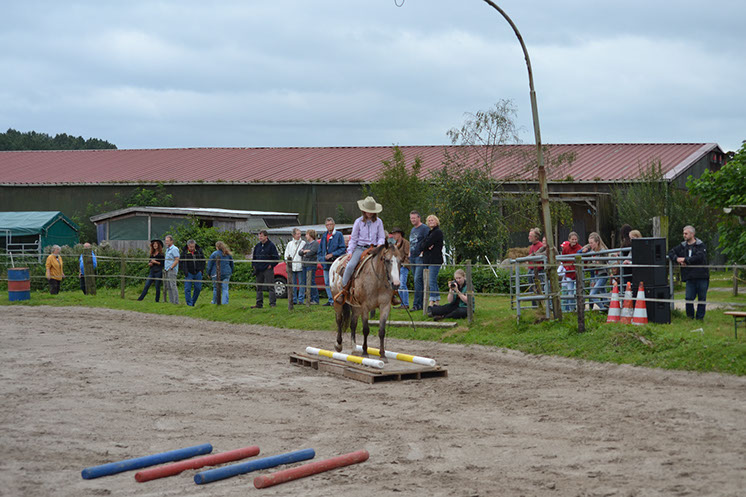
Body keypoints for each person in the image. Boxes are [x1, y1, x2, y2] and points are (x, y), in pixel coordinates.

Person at [337, 196, 386, 304]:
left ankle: (391, 292)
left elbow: (381, 237)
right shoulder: (358, 222)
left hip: (375, 248)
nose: (370, 213)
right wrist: (350, 252)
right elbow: (354, 239)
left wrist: (379, 245)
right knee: (350, 266)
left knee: (387, 265)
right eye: (368, 211)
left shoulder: (379, 222)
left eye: (371, 211)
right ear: (364, 210)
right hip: (360, 248)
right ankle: (343, 290)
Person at [669, 225, 710, 320]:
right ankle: (690, 317)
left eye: (686, 233)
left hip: (702, 276)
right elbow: (671, 252)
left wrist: (685, 260)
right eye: (683, 233)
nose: (684, 235)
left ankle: (700, 318)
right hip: (690, 277)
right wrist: (677, 259)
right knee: (688, 298)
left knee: (702, 298)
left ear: (692, 234)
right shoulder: (683, 246)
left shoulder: (700, 245)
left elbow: (699, 257)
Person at [318, 217, 346, 306]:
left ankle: (337, 298)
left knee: (336, 282)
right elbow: (320, 250)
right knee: (327, 282)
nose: (329, 226)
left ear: (334, 225)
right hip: (326, 264)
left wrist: (333, 254)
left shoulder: (339, 235)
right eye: (327, 225)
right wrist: (322, 259)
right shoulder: (324, 236)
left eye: (330, 224)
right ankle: (330, 300)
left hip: (335, 262)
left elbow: (342, 248)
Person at [580, 232, 609, 310]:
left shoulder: (602, 251)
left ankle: (603, 309)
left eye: (592, 243)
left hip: (602, 274)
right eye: (589, 243)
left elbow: (602, 263)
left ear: (597, 242)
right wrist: (594, 264)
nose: (590, 245)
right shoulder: (592, 252)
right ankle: (607, 308)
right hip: (596, 275)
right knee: (603, 293)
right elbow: (588, 264)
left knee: (592, 294)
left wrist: (594, 264)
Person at [252, 230, 279, 308]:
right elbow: (254, 257)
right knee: (259, 287)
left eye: (261, 236)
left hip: (267, 269)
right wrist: (254, 265)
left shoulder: (271, 246)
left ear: (266, 236)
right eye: (259, 236)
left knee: (270, 286)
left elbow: (276, 258)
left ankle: (272, 303)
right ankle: (259, 303)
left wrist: (271, 265)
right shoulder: (257, 246)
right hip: (259, 269)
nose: (260, 237)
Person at [408, 210, 429, 311]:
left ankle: (416, 304)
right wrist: (409, 253)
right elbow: (411, 242)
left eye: (414, 218)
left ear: (419, 218)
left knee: (417, 280)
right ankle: (420, 303)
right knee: (417, 281)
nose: (412, 220)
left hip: (420, 258)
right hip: (412, 257)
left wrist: (423, 252)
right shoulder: (413, 229)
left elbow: (428, 241)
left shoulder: (424, 228)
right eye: (411, 218)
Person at [421, 214, 444, 306]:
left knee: (431, 280)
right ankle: (437, 300)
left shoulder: (437, 232)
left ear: (436, 221)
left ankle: (432, 301)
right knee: (432, 280)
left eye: (432, 220)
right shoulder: (430, 233)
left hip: (435, 260)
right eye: (429, 220)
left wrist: (427, 245)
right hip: (428, 260)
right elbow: (423, 244)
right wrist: (427, 246)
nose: (431, 222)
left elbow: (426, 243)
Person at [559, 231, 582, 312]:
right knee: (570, 291)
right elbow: (563, 259)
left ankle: (577, 308)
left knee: (577, 291)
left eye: (575, 239)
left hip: (577, 272)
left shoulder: (579, 248)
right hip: (569, 273)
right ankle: (571, 309)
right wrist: (567, 267)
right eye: (572, 239)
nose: (574, 241)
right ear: (569, 239)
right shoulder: (566, 249)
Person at [180, 239, 205, 306]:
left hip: (198, 272)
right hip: (189, 273)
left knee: (198, 288)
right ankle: (189, 303)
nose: (192, 248)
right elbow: (181, 262)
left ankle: (193, 302)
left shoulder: (199, 251)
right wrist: (185, 271)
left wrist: (201, 270)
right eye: (190, 247)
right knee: (187, 289)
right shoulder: (184, 252)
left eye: (193, 246)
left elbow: (203, 260)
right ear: (188, 246)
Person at [284, 228, 306, 305]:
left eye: (300, 234)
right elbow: (286, 254)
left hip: (300, 266)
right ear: (293, 235)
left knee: (301, 283)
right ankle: (293, 299)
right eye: (297, 234)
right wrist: (288, 262)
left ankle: (301, 300)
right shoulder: (289, 244)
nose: (299, 235)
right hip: (292, 267)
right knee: (293, 284)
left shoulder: (303, 243)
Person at [391, 227, 410, 309]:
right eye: (393, 234)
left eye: (395, 234)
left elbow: (408, 254)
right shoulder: (394, 244)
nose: (394, 236)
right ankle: (402, 303)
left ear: (399, 234)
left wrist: (405, 264)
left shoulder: (406, 243)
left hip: (403, 266)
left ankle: (405, 303)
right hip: (396, 267)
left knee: (402, 284)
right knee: (398, 285)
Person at [299, 229, 320, 304]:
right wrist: (305, 251)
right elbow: (300, 252)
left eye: (307, 234)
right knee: (306, 282)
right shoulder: (306, 244)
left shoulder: (315, 244)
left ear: (311, 235)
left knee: (311, 281)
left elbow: (312, 252)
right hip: (305, 265)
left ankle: (315, 299)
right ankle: (310, 298)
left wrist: (305, 252)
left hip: (311, 265)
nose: (305, 236)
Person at [527, 228, 546, 308]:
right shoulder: (532, 247)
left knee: (538, 288)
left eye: (530, 236)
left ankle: (540, 306)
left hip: (538, 270)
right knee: (532, 289)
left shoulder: (540, 246)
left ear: (536, 237)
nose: (529, 237)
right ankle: (534, 307)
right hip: (531, 269)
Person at [163, 235, 180, 304]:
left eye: (168, 241)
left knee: (173, 285)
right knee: (168, 286)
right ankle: (171, 301)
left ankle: (176, 301)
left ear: (171, 241)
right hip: (167, 269)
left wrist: (171, 267)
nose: (166, 242)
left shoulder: (174, 249)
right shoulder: (167, 249)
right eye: (166, 241)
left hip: (172, 270)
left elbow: (176, 259)